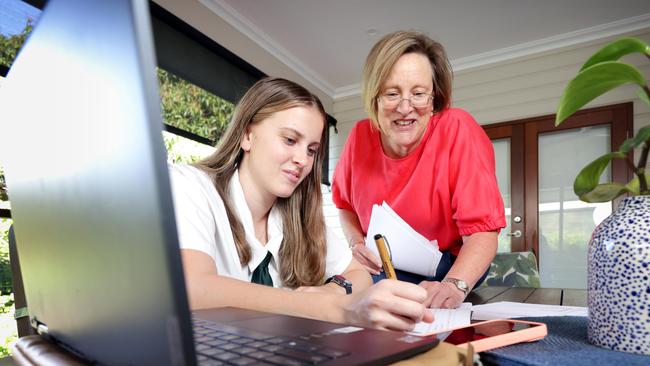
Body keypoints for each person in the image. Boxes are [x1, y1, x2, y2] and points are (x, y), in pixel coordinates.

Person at [170, 77, 433, 331]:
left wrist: (333, 289)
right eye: (290, 140)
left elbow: (359, 274)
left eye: (311, 150)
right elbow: (193, 290)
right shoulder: (188, 185)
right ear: (247, 136)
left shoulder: (297, 216)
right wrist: (331, 307)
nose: (303, 160)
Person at [332, 31, 506, 309]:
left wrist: (454, 285)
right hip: (385, 263)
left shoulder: (458, 128)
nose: (405, 108)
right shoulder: (359, 137)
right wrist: (356, 243)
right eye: (391, 94)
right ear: (374, 98)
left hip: (451, 264)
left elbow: (482, 233)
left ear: (434, 99)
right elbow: (345, 206)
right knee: (346, 295)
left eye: (418, 94)